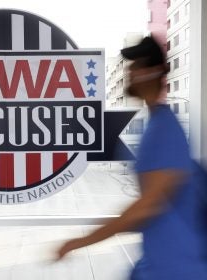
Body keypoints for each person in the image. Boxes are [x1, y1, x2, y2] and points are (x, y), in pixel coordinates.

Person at [55, 35, 207, 279]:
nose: (129, 72)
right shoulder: (156, 124)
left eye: (136, 66)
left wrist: (81, 241)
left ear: (154, 71)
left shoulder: (165, 129)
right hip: (159, 266)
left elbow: (148, 206)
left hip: (178, 270)